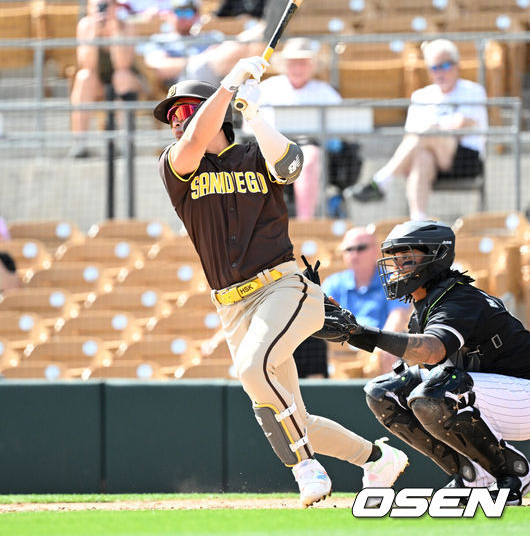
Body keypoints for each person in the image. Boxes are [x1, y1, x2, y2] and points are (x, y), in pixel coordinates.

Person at [154, 59, 408, 507]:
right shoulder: (176, 165)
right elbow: (194, 140)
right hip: (231, 306)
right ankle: (377, 459)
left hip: (283, 286)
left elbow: (292, 165)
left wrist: (252, 113)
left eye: (182, 111)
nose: (175, 122)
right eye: (170, 116)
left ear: (213, 111)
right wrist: (230, 83)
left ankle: (306, 468)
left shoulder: (254, 152)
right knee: (295, 419)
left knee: (253, 371)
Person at [337, 220, 530, 505]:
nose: (398, 266)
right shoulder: (424, 307)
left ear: (436, 257)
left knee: (437, 391)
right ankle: (474, 476)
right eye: (396, 259)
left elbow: (432, 351)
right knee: (386, 391)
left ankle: (512, 474)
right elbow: (423, 366)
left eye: (408, 258)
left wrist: (365, 334)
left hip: (522, 395)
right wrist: (349, 333)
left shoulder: (459, 298)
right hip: (493, 399)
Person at [351, 39, 488, 221]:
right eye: (434, 68)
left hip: (465, 159)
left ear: (457, 66)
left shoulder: (473, 91)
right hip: (426, 157)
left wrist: (434, 128)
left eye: (445, 65)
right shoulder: (421, 95)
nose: (440, 72)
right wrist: (436, 130)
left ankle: (383, 180)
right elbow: (412, 136)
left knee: (428, 132)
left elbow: (461, 125)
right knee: (423, 156)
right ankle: (418, 221)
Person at [258, 37, 360, 219]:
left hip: (315, 150)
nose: (298, 68)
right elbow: (251, 125)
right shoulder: (267, 89)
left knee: (310, 156)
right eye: (293, 63)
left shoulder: (326, 93)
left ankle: (306, 222)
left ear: (312, 66)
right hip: (271, 149)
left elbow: (342, 128)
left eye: (303, 62)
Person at [322, 227, 410, 375]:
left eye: (361, 248)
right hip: (341, 350)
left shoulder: (392, 280)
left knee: (389, 352)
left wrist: (383, 344)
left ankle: (389, 397)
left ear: (376, 251)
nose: (354, 254)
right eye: (348, 249)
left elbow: (398, 316)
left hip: (380, 349)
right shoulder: (333, 283)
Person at [69, 0, 144, 158]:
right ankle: (80, 143)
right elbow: (87, 63)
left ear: (115, 7)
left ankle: (125, 143)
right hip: (98, 79)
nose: (100, 10)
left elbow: (123, 64)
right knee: (84, 77)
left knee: (121, 77)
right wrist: (95, 34)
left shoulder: (126, 26)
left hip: (126, 79)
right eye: (96, 5)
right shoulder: (86, 26)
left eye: (104, 5)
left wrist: (115, 30)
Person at [141, 0, 264, 92]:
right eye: (178, 12)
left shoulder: (211, 36)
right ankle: (264, 29)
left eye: (188, 12)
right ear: (169, 15)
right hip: (182, 86)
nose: (183, 17)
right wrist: (204, 59)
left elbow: (232, 55)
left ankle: (265, 28)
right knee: (236, 46)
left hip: (219, 83)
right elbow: (158, 66)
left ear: (197, 16)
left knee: (246, 48)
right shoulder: (160, 40)